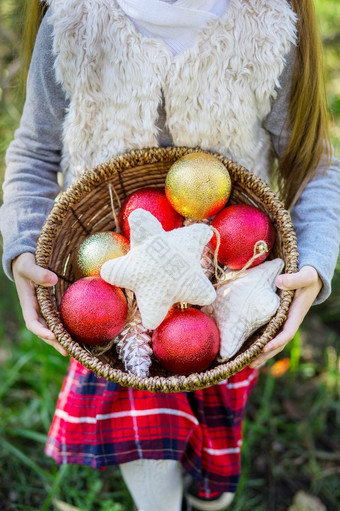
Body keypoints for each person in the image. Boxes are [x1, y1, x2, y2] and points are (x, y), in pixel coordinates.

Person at [1, 1, 340, 510]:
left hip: (226, 286)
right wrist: (23, 244)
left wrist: (313, 259)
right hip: (109, 298)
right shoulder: (75, 19)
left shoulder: (266, 24)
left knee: (217, 450)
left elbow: (312, 162)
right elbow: (33, 153)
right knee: (147, 450)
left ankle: (212, 496)